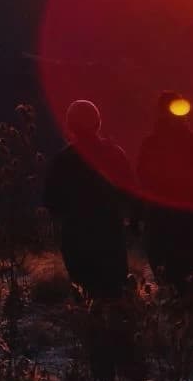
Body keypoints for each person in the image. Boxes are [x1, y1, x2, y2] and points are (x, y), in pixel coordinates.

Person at [137, 91, 193, 296]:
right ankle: (191, 320)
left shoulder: (151, 144)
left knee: (166, 275)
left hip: (161, 219)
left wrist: (136, 218)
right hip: (189, 219)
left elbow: (140, 184)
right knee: (190, 274)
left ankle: (174, 319)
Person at [43, 100, 136, 300]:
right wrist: (134, 221)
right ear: (98, 123)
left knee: (85, 294)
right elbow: (131, 192)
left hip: (76, 236)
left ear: (70, 125)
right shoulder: (114, 153)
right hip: (110, 234)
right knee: (115, 293)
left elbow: (51, 201)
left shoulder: (63, 160)